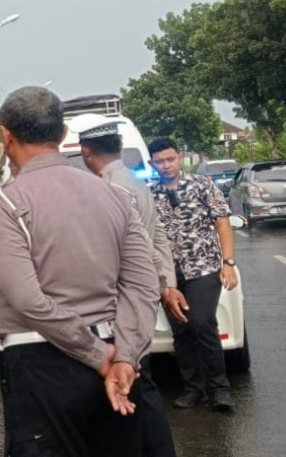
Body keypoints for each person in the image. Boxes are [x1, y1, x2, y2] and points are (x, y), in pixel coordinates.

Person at [0, 87, 160, 456]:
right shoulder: (113, 196)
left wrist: (98, 356)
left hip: (42, 362)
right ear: (64, 134)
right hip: (115, 354)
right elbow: (143, 285)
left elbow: (27, 299)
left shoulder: (6, 202)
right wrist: (125, 357)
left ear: (5, 135)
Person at [79, 120, 179, 457]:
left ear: (86, 152)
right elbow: (159, 236)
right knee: (140, 378)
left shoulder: (111, 189)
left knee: (135, 381)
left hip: (126, 294)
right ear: (119, 147)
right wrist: (165, 283)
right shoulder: (136, 182)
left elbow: (137, 247)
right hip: (142, 291)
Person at [147, 136, 237, 412]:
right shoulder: (149, 194)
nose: (166, 165)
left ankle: (219, 390)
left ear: (180, 158)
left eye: (170, 159)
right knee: (181, 328)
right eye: (160, 161)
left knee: (202, 322)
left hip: (203, 268)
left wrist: (228, 262)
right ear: (152, 163)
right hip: (169, 274)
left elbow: (222, 223)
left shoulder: (202, 185)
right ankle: (193, 388)